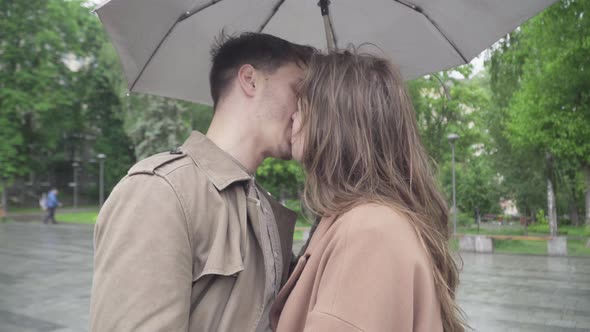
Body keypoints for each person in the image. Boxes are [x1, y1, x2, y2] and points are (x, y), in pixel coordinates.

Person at [89, 33, 315, 331]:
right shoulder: (160, 192)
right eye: (299, 90)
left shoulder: (262, 205)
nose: (306, 110)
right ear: (250, 80)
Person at [270, 51, 468, 332]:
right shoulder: (365, 220)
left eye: (301, 106)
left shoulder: (368, 233)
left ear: (334, 121)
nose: (292, 117)